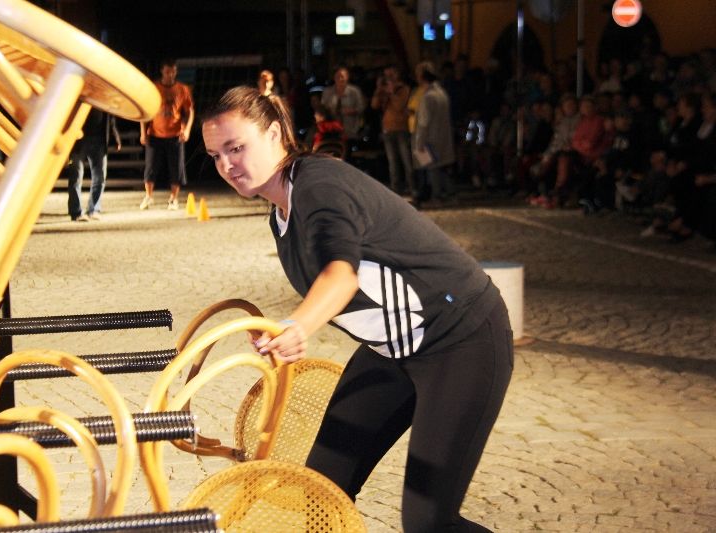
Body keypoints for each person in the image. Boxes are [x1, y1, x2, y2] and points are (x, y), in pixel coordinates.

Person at [201, 85, 513, 533]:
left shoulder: (319, 185)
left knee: (429, 523)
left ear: (273, 134)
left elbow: (341, 275)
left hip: (461, 339)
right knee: (321, 493)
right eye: (215, 155)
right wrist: (283, 325)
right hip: (392, 352)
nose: (227, 165)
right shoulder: (281, 213)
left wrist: (297, 325)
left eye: (236, 148)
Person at [139, 59, 194, 210]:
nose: (171, 75)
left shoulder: (182, 89)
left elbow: (190, 111)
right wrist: (143, 132)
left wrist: (187, 130)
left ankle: (173, 199)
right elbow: (145, 111)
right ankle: (148, 196)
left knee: (176, 168)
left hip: (175, 135)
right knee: (150, 168)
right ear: (162, 71)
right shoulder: (154, 88)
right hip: (155, 134)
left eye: (173, 71)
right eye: (168, 71)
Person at [413, 61, 456, 206]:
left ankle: (435, 197)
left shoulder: (428, 97)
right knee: (442, 168)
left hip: (429, 139)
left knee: (431, 169)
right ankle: (449, 194)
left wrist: (419, 143)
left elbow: (423, 123)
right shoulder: (442, 93)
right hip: (442, 137)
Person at [67, 109, 121, 221]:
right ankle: (76, 212)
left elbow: (110, 116)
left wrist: (115, 135)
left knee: (100, 177)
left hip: (99, 139)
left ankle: (93, 209)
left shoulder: (103, 98)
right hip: (78, 140)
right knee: (75, 177)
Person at [371, 65, 413, 195]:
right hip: (387, 129)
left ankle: (412, 188)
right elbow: (374, 105)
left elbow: (399, 105)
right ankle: (396, 190)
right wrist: (378, 90)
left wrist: (391, 92)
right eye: (386, 76)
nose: (388, 78)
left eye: (391, 75)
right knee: (392, 163)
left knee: (407, 161)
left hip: (401, 129)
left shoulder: (404, 89)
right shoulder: (384, 90)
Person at [321, 66, 366, 144]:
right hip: (332, 128)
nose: (340, 79)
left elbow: (361, 107)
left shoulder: (354, 91)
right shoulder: (327, 92)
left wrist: (352, 111)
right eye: (337, 76)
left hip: (350, 126)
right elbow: (323, 108)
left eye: (342, 76)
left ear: (347, 77)